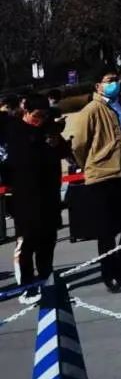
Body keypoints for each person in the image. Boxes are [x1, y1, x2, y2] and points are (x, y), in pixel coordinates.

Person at [69, 73, 121, 292]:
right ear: (98, 85)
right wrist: (91, 164)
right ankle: (110, 274)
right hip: (103, 175)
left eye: (116, 79)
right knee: (107, 230)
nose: (114, 84)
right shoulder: (91, 110)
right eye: (109, 80)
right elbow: (79, 144)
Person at [3, 94, 68, 302]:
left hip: (49, 195)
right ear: (26, 111)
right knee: (27, 243)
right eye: (37, 115)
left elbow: (64, 151)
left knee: (47, 242)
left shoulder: (49, 129)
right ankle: (27, 287)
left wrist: (56, 142)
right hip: (25, 197)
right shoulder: (13, 130)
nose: (40, 120)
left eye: (45, 115)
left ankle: (46, 280)